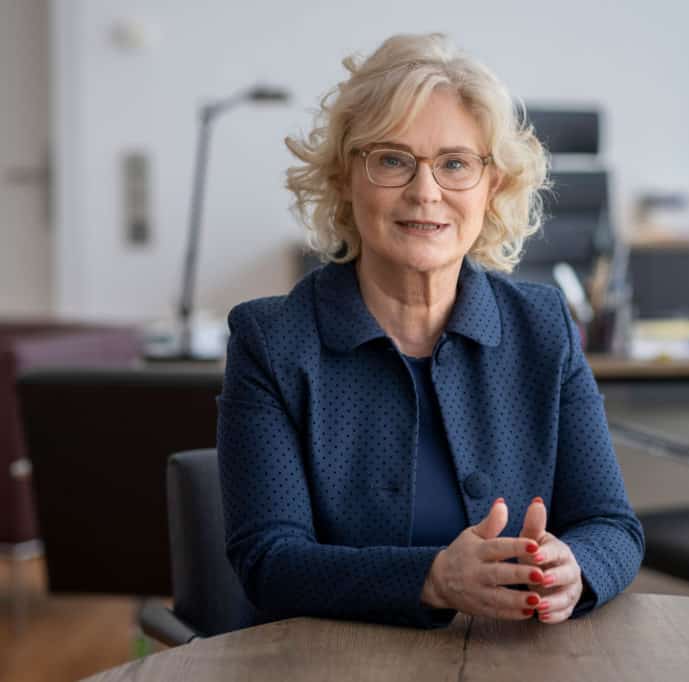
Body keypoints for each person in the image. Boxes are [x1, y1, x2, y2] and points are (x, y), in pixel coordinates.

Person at [217, 32, 643, 629]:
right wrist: (434, 579)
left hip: (516, 661)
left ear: (492, 186)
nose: (426, 192)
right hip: (335, 665)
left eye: (455, 164)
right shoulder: (272, 340)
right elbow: (270, 560)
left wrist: (578, 566)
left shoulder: (543, 326)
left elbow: (612, 525)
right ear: (344, 177)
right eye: (392, 159)